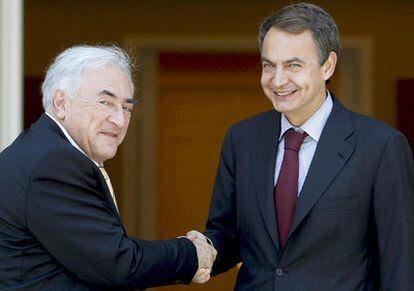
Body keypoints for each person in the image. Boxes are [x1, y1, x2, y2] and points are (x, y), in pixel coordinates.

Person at [188, 2, 414, 290]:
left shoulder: (381, 147)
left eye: (293, 65)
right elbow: (227, 236)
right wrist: (196, 251)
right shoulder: (241, 140)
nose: (278, 80)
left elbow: (400, 266)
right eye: (269, 65)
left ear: (327, 65)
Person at [0, 45, 216, 290]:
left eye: (126, 107)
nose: (120, 120)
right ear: (60, 102)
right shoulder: (53, 163)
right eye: (105, 102)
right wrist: (190, 253)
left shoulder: (42, 149)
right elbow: (118, 264)